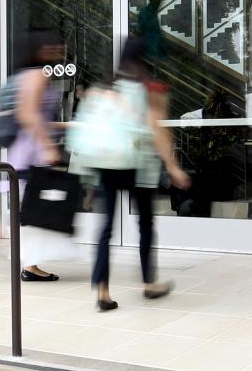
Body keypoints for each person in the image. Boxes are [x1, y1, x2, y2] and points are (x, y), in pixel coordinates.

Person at [81, 37, 191, 311]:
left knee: (105, 228)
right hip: (137, 165)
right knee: (144, 224)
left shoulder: (104, 87)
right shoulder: (150, 88)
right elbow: (158, 130)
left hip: (106, 163)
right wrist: (174, 167)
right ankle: (148, 284)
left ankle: (103, 290)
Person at [1, 29, 68, 281]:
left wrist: (61, 128)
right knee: (36, 210)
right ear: (40, 49)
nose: (58, 50)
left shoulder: (27, 75)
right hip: (32, 153)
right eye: (52, 46)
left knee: (34, 210)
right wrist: (48, 147)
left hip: (26, 151)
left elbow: (34, 115)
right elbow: (28, 115)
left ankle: (30, 263)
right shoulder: (38, 75)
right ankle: (29, 265)